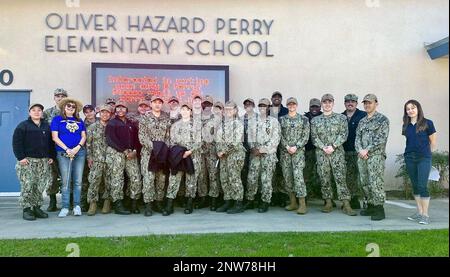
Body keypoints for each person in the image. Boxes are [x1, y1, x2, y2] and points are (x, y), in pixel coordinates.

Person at [311, 94, 356, 216]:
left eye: (329, 102)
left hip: (337, 153)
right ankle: (328, 202)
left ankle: (346, 203)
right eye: (324, 102)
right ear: (321, 104)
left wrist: (333, 146)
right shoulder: (315, 120)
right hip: (321, 154)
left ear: (333, 103)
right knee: (324, 178)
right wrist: (323, 147)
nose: (327, 104)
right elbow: (314, 137)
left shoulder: (341, 118)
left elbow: (344, 134)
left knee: (340, 178)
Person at [13, 103, 55, 221]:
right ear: (29, 112)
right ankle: (26, 209)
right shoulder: (23, 126)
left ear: (42, 113)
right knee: (28, 185)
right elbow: (16, 143)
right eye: (34, 110)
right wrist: (21, 157)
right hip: (27, 161)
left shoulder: (46, 126)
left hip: (43, 161)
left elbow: (51, 143)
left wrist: (51, 156)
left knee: (39, 185)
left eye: (39, 110)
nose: (37, 112)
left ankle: (36, 207)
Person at [355, 94, 390, 221]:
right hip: (362, 157)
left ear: (376, 103)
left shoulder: (382, 120)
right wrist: (360, 150)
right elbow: (357, 138)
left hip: (375, 156)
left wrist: (367, 150)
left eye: (370, 103)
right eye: (365, 103)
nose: (367, 105)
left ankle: (379, 209)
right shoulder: (362, 121)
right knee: (364, 182)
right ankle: (370, 205)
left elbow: (381, 139)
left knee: (376, 182)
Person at [50, 97, 86, 217]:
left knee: (78, 181)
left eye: (73, 106)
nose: (70, 108)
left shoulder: (80, 121)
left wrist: (77, 148)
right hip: (63, 153)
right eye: (68, 106)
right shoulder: (57, 119)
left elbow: (83, 136)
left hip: (79, 153)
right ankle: (65, 207)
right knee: (66, 181)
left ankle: (76, 206)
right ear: (64, 107)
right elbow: (55, 137)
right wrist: (67, 149)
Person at [402, 100, 436, 224]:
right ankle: (420, 212)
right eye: (408, 109)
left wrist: (428, 156)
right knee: (415, 185)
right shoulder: (405, 125)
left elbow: (432, 142)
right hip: (409, 157)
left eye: (413, 108)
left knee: (422, 186)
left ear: (418, 109)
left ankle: (425, 215)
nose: (410, 111)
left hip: (424, 158)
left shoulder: (428, 123)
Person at [164, 102, 201, 215]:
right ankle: (169, 205)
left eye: (187, 109)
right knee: (174, 179)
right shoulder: (175, 125)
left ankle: (189, 204)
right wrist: (180, 153)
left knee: (191, 180)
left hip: (192, 155)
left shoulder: (196, 125)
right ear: (180, 111)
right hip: (179, 156)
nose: (185, 111)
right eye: (183, 109)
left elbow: (199, 141)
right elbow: (171, 142)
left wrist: (189, 151)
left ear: (190, 111)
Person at [106, 101, 142, 215]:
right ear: (115, 110)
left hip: (132, 155)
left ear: (126, 110)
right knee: (117, 179)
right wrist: (124, 150)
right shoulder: (112, 123)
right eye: (118, 108)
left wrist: (135, 151)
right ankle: (118, 205)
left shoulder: (131, 123)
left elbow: (137, 139)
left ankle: (133, 203)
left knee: (135, 177)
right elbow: (111, 139)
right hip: (118, 154)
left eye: (123, 108)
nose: (120, 110)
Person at [246, 98, 281, 213]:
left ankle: (265, 201)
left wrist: (261, 150)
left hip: (268, 155)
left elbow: (275, 139)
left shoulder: (274, 121)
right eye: (260, 105)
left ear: (268, 107)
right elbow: (249, 137)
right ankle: (250, 200)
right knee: (252, 178)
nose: (262, 107)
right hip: (255, 155)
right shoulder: (252, 121)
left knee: (266, 179)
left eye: (264, 106)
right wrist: (253, 148)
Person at [139, 95, 171, 216]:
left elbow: (168, 135)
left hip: (162, 153)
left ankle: (158, 202)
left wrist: (164, 148)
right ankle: (148, 205)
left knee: (161, 179)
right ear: (151, 104)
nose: (157, 104)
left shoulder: (166, 117)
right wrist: (154, 147)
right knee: (148, 178)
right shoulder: (145, 118)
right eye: (155, 102)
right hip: (149, 153)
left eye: (159, 102)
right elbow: (142, 136)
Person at [280, 97, 310, 214]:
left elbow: (305, 136)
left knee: (298, 177)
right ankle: (293, 202)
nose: (291, 106)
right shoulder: (282, 119)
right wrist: (287, 146)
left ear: (296, 105)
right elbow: (280, 135)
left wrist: (296, 147)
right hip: (285, 152)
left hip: (298, 153)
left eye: (293, 104)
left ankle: (302, 203)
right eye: (289, 104)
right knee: (288, 177)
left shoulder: (304, 119)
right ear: (287, 106)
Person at [215, 101, 246, 214]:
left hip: (235, 154)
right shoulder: (222, 124)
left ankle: (238, 203)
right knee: (224, 178)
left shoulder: (238, 124)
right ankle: (228, 201)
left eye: (230, 109)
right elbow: (217, 140)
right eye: (226, 109)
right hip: (223, 156)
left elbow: (235, 141)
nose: (228, 111)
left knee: (234, 178)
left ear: (235, 110)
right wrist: (219, 151)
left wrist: (223, 151)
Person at [86, 104, 114, 216]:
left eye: (107, 112)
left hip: (110, 159)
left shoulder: (113, 126)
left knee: (109, 182)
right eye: (103, 112)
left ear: (110, 114)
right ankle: (92, 204)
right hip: (96, 159)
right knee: (94, 181)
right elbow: (88, 145)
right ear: (99, 113)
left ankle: (107, 203)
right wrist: (89, 158)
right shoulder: (92, 127)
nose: (105, 114)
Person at [43, 88, 68, 212]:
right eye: (58, 96)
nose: (60, 98)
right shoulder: (47, 113)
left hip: (67, 150)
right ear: (54, 98)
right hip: (52, 149)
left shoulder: (71, 112)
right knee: (51, 176)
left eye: (63, 96)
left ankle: (66, 201)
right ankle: (52, 201)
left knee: (66, 175)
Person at [342, 94, 367, 209]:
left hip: (360, 152)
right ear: (344, 103)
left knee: (362, 177)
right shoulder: (341, 117)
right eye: (348, 101)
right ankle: (352, 199)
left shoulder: (363, 116)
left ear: (357, 103)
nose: (350, 103)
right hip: (345, 152)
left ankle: (366, 201)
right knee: (348, 177)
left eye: (353, 101)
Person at [269, 91, 289, 207]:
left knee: (282, 172)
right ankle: (274, 195)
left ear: (281, 99)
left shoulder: (286, 111)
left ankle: (282, 196)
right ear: (271, 99)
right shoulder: (267, 111)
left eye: (279, 97)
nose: (276, 99)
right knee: (272, 172)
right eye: (274, 97)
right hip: (271, 147)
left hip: (283, 146)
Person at [303, 98, 323, 199]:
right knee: (307, 173)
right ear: (309, 107)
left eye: (316, 106)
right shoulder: (304, 118)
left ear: (320, 107)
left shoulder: (324, 117)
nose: (314, 108)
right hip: (308, 150)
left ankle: (325, 197)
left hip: (322, 150)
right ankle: (307, 195)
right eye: (312, 106)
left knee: (323, 173)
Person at [241, 98, 258, 208]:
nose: (248, 106)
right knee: (244, 172)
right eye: (246, 104)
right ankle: (245, 197)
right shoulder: (240, 119)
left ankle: (255, 198)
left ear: (253, 105)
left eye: (250, 104)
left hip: (255, 150)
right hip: (243, 149)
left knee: (254, 174)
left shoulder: (258, 118)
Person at [80, 104, 98, 212]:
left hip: (99, 154)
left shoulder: (101, 122)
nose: (89, 113)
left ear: (95, 111)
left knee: (98, 180)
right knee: (84, 179)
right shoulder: (81, 124)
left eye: (91, 111)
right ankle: (84, 203)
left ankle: (97, 202)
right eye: (86, 112)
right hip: (85, 154)